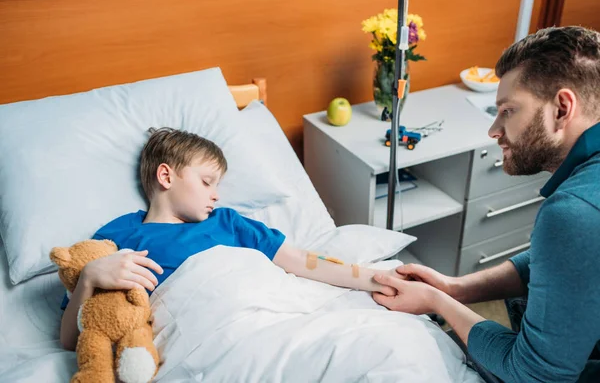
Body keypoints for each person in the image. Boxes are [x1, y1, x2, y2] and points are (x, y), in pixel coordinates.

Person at [372, 25, 600, 382]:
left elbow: (536, 375)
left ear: (562, 108)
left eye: (508, 110)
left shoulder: (576, 212)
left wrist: (437, 303)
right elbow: (562, 262)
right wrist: (454, 288)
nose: (493, 130)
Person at [60, 127, 403, 351]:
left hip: (265, 315)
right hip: (203, 338)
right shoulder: (117, 237)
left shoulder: (229, 222)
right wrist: (90, 277)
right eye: (207, 182)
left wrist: (375, 279)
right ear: (166, 175)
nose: (216, 196)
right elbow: (71, 340)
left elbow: (302, 261)